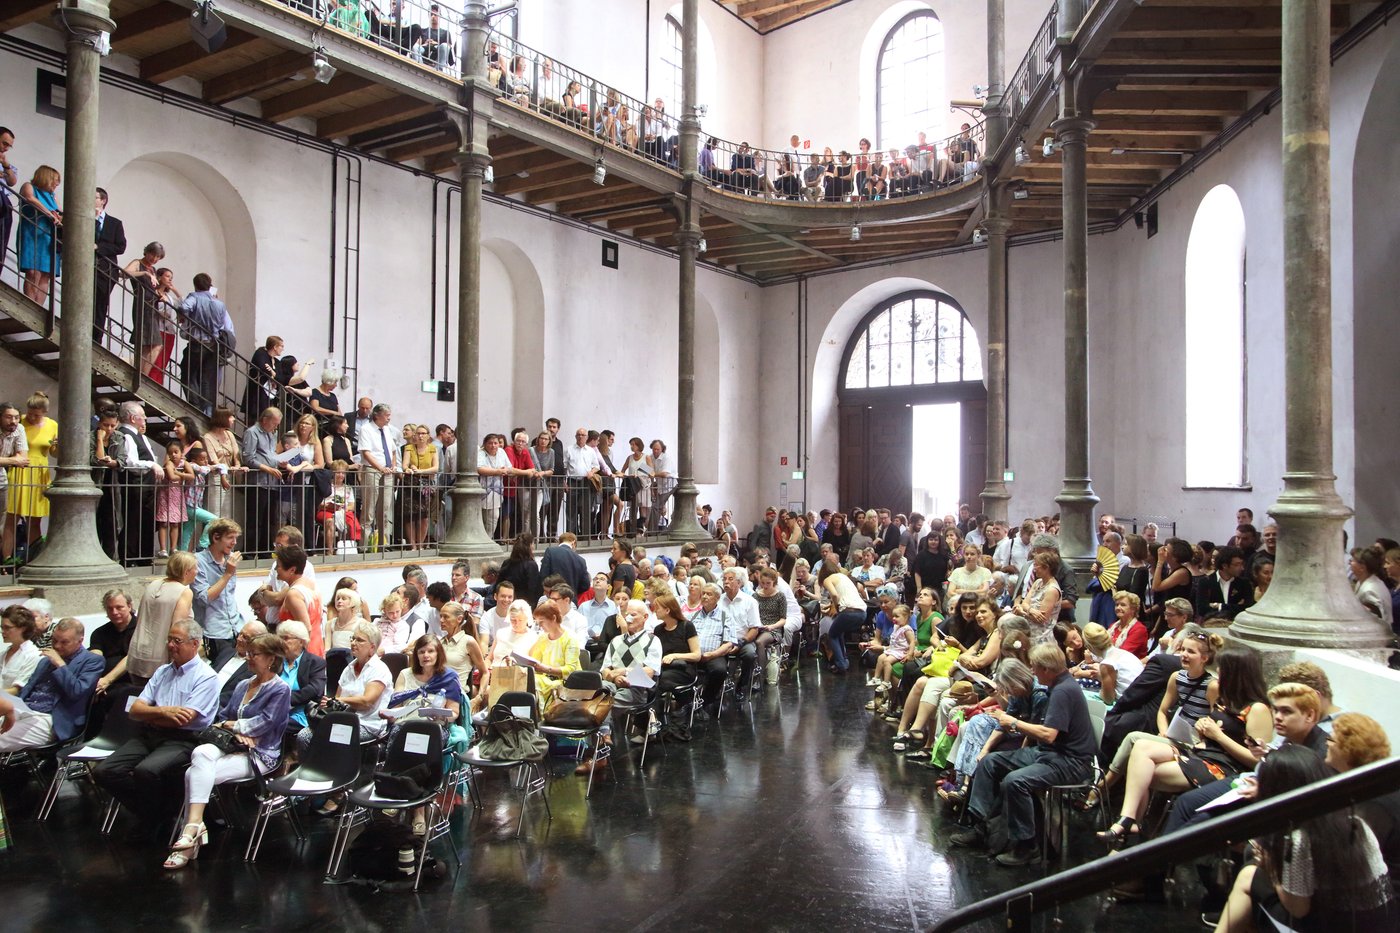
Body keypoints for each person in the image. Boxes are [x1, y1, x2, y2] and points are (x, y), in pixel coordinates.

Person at [1214, 745, 1397, 932]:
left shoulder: (1299, 840)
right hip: (1381, 922)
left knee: (1248, 875)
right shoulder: (1355, 821)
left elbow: (1298, 909)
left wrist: (1271, 865)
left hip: (1335, 925)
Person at [951, 643, 1096, 866]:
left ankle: (1027, 846)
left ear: (1047, 669)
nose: (1033, 671)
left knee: (1015, 781)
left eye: (1036, 667)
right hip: (1050, 753)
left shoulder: (1062, 691)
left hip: (1070, 762)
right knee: (990, 762)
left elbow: (1048, 735)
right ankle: (981, 827)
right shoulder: (1058, 686)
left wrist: (1014, 722)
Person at [163, 633, 290, 870]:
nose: (249, 658)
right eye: (248, 653)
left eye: (255, 654)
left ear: (271, 658)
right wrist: (233, 728)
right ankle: (193, 828)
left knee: (193, 774)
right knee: (201, 754)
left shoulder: (280, 689)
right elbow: (223, 717)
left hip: (260, 753)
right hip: (233, 745)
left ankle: (189, 836)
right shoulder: (243, 685)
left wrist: (233, 726)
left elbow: (265, 723)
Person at [93, 618, 219, 833]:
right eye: (169, 640)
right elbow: (134, 710)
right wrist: (164, 711)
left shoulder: (206, 677)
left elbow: (184, 719)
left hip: (183, 739)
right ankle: (159, 812)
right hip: (149, 734)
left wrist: (150, 715)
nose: (170, 645)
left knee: (146, 771)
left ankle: (151, 822)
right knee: (105, 771)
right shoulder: (162, 672)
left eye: (177, 641)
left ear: (195, 644)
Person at [123, 552, 197, 689]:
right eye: (195, 568)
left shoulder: (153, 584)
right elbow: (177, 630)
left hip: (137, 654)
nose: (197, 572)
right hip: (159, 660)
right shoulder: (184, 592)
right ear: (187, 572)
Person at [178, 273, 236, 416]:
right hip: (214, 344)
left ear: (196, 285)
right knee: (207, 378)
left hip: (198, 342)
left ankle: (195, 404)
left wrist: (187, 318)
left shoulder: (194, 297)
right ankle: (207, 409)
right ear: (210, 285)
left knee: (188, 373)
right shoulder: (219, 304)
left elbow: (184, 307)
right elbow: (224, 324)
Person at [192, 518, 242, 669]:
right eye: (230, 538)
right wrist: (227, 574)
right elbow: (204, 598)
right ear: (215, 537)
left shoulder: (230, 560)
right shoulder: (197, 562)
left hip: (235, 627)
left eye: (236, 538)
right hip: (213, 632)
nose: (234, 543)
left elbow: (230, 595)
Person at [17, 164, 61, 305]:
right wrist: (49, 214)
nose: (56, 184)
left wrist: (58, 217)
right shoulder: (29, 186)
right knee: (32, 272)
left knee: (45, 275)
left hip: (49, 237)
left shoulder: (52, 196)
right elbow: (29, 198)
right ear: (45, 177)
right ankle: (30, 304)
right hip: (32, 234)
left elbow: (59, 212)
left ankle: (39, 307)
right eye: (54, 180)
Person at [523, 603, 581, 709]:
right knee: (524, 679)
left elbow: (571, 670)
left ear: (553, 618)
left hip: (566, 682)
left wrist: (547, 669)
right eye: (537, 622)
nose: (539, 626)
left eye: (542, 622)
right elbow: (535, 661)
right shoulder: (543, 638)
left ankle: (534, 716)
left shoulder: (570, 639)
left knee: (534, 683)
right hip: (546, 679)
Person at [0, 606, 39, 695]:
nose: (3, 631)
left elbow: (16, 690)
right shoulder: (3, 655)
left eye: (7, 628)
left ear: (23, 628)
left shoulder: (33, 655)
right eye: (2, 628)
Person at [499, 533, 543, 608]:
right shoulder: (531, 565)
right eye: (532, 544)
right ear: (529, 546)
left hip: (507, 602)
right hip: (524, 605)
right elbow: (533, 589)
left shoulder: (507, 563)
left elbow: (499, 584)